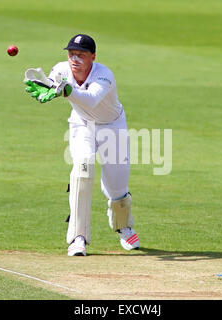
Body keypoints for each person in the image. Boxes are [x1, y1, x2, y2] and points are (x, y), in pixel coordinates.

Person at [24, 34, 139, 256]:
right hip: (82, 125)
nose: (74, 59)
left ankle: (123, 226)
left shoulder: (103, 75)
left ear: (93, 57)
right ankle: (78, 237)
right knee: (83, 169)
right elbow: (50, 84)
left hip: (112, 126)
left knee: (117, 187)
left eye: (81, 55)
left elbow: (91, 99)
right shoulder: (60, 70)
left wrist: (67, 91)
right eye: (71, 54)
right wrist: (46, 87)